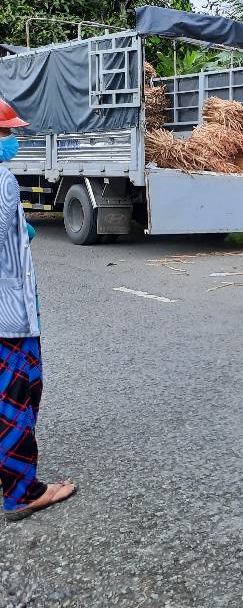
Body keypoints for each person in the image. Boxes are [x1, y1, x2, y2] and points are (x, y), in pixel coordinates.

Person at [0, 97, 76, 520]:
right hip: (8, 319)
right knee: (17, 399)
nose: (11, 140)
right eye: (6, 132)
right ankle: (22, 493)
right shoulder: (2, 181)